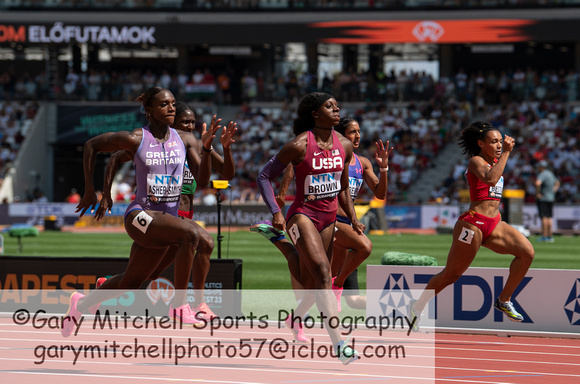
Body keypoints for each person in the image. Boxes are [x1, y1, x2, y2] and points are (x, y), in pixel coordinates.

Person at [63, 87, 219, 337]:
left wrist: (208, 149)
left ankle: (80, 304)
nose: (170, 108)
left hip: (165, 219)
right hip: (140, 216)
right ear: (148, 110)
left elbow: (202, 181)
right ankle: (180, 306)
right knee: (191, 235)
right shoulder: (136, 139)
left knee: (131, 282)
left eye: (172, 103)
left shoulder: (186, 139)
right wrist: (92, 190)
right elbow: (92, 145)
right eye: (163, 104)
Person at [95, 102, 237, 321]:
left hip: (183, 218)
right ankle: (194, 304)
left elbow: (226, 174)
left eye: (192, 123)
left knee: (147, 276)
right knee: (205, 242)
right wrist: (106, 193)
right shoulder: (160, 144)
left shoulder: (197, 145)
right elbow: (115, 157)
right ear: (172, 124)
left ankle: (103, 289)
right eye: (184, 123)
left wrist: (225, 149)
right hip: (162, 217)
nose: (189, 127)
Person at [256, 92, 364, 365]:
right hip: (302, 215)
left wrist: (352, 217)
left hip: (329, 219)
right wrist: (276, 211)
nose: (336, 108)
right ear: (315, 114)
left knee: (310, 282)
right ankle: (340, 343)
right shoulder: (299, 145)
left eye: (337, 105)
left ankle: (278, 241)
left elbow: (342, 187)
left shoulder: (344, 146)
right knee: (324, 274)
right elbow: (264, 176)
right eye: (329, 106)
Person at [251, 117, 393, 313]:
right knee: (364, 247)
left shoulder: (363, 163)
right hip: (328, 220)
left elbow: (380, 193)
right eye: (353, 132)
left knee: (319, 280)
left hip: (345, 225)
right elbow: (293, 165)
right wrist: (282, 195)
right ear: (341, 135)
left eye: (359, 131)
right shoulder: (327, 156)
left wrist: (384, 168)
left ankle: (297, 318)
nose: (358, 135)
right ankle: (336, 286)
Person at [409, 121, 535, 329]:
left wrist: (502, 154)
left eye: (499, 141)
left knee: (527, 252)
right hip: (472, 225)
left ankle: (504, 300)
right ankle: (417, 306)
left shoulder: (495, 160)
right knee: (452, 274)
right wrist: (506, 153)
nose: (498, 145)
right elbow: (491, 180)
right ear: (480, 143)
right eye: (493, 142)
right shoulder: (476, 161)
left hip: (494, 223)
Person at [535, 160, 560, 243]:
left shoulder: (542, 174)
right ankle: (550, 235)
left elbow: (538, 183)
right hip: (551, 198)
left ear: (542, 167)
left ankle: (545, 235)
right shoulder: (550, 173)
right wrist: (553, 191)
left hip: (543, 198)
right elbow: (557, 182)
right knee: (549, 217)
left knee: (544, 217)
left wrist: (538, 193)